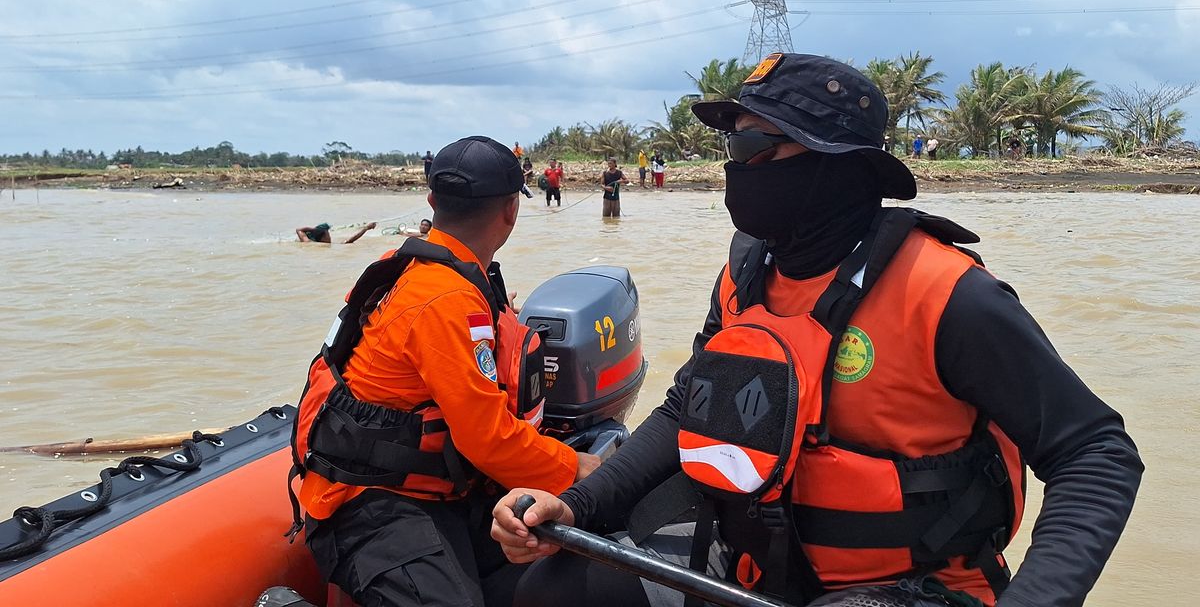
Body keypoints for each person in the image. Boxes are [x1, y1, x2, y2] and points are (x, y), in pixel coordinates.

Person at [492, 54, 1142, 607]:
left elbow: (1096, 454)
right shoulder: (746, 276)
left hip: (905, 589)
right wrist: (579, 505)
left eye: (753, 148)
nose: (736, 169)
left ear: (839, 164)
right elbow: (686, 404)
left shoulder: (946, 294)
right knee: (554, 586)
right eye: (732, 149)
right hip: (750, 566)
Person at [292, 136, 601, 607]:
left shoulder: (406, 266)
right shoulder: (449, 297)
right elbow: (487, 439)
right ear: (511, 210)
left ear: (433, 200)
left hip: (425, 487)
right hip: (370, 504)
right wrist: (576, 466)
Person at [295, 221, 376, 244]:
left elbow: (299, 230)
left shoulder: (309, 242)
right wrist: (366, 228)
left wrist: (366, 228)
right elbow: (350, 241)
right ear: (323, 237)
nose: (329, 237)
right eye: (328, 234)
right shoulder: (310, 242)